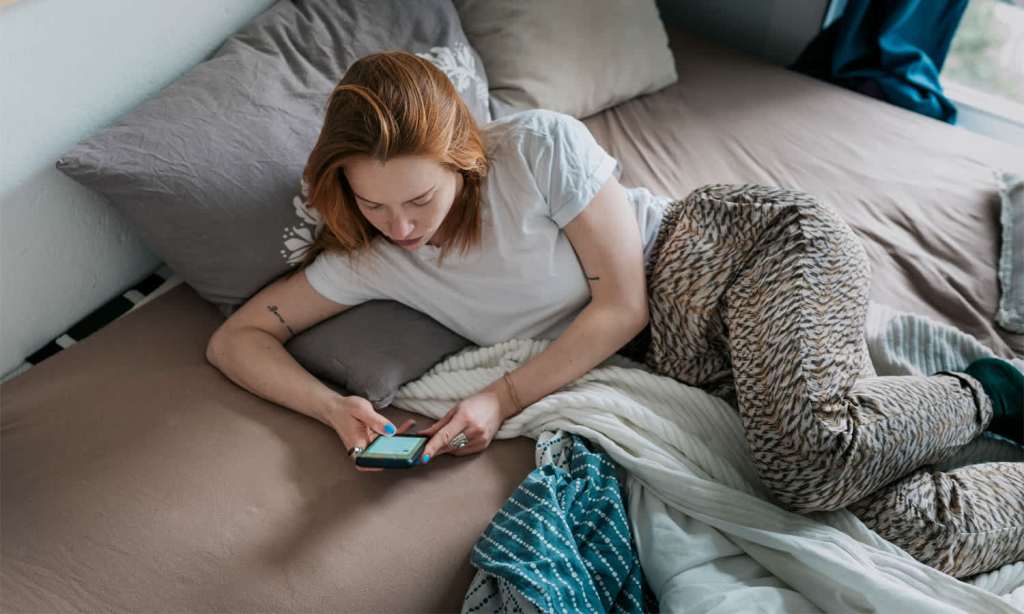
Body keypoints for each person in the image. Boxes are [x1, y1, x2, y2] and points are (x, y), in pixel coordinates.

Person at [206, 51, 1024, 578]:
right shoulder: (369, 256)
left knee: (806, 457)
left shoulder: (535, 148)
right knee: (916, 535)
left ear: (462, 158)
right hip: (696, 361)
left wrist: (501, 399)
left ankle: (989, 388)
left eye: (419, 197)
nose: (404, 226)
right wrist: (332, 408)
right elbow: (237, 338)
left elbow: (624, 303)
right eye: (374, 204)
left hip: (742, 252)